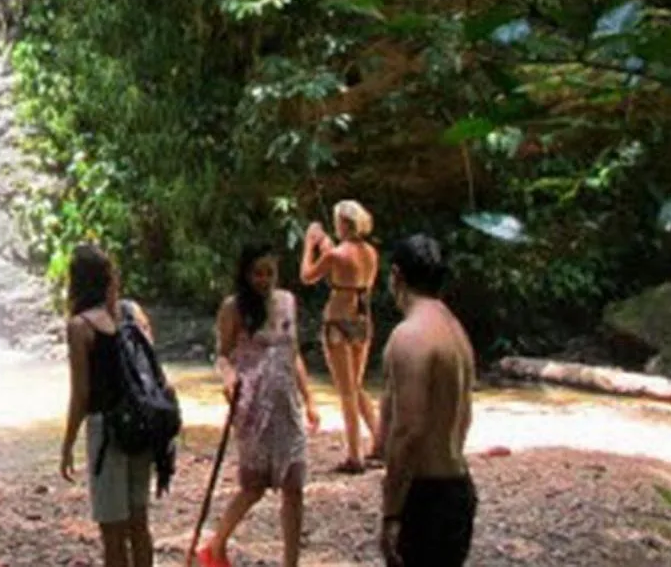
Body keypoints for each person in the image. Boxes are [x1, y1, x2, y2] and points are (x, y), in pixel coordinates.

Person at [198, 242, 319, 567]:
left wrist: (309, 400)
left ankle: (291, 562)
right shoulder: (233, 308)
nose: (264, 280)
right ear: (245, 274)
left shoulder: (288, 302)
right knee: (254, 487)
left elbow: (293, 354)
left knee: (295, 486)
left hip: (286, 405)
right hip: (252, 406)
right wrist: (228, 379)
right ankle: (215, 545)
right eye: (257, 273)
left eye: (270, 273)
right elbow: (222, 355)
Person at [379, 235, 477, 567]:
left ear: (396, 276)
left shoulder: (410, 335)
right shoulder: (454, 329)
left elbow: (408, 429)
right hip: (459, 487)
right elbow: (464, 416)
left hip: (425, 495)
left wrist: (391, 512)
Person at [59, 244, 157, 567]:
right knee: (138, 523)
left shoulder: (81, 326)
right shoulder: (132, 313)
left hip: (107, 431)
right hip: (142, 422)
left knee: (112, 531)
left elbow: (81, 394)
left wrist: (69, 442)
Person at [300, 199, 382, 472]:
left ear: (343, 224)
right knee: (356, 386)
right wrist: (326, 247)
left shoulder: (336, 255)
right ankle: (380, 442)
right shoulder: (370, 252)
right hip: (362, 319)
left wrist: (309, 245)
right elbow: (348, 269)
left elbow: (307, 276)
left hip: (337, 321)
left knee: (346, 392)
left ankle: (355, 456)